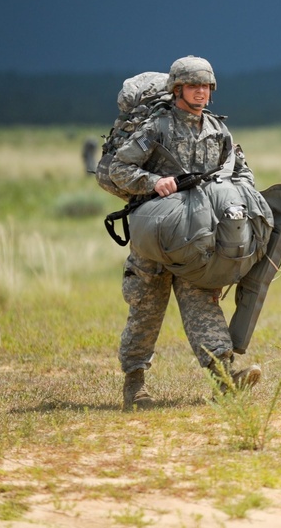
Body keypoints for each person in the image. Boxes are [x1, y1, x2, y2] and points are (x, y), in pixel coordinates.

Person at [108, 55, 262, 410]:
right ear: (177, 89)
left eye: (206, 86)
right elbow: (119, 168)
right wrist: (154, 182)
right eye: (193, 86)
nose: (201, 93)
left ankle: (225, 380)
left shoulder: (218, 130)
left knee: (204, 307)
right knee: (146, 311)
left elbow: (242, 171)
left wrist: (236, 198)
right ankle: (135, 387)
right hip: (157, 236)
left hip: (200, 238)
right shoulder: (157, 128)